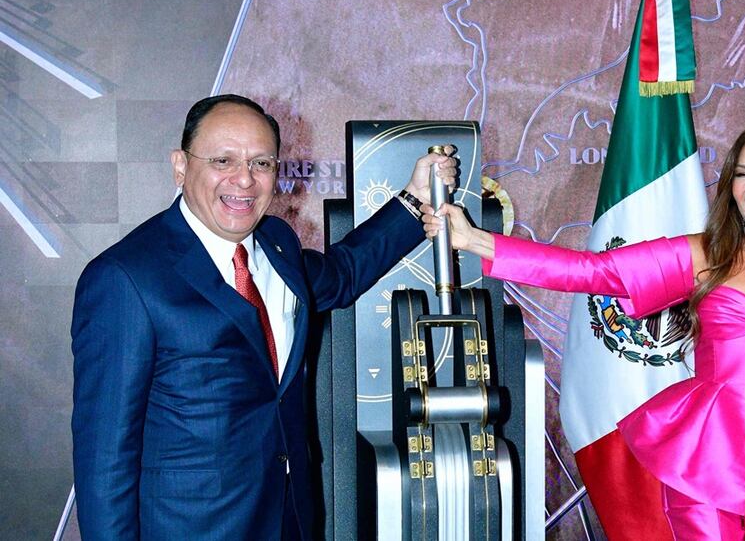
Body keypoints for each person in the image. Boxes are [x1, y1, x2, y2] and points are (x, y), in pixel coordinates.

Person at [425, 120, 745, 540]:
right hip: (704, 448)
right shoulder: (707, 254)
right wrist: (476, 240)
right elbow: (595, 273)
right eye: (742, 174)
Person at [71, 94, 457, 540]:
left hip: (289, 521)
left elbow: (341, 275)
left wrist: (415, 200)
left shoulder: (276, 243)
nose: (244, 180)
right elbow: (104, 463)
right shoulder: (124, 279)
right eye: (222, 160)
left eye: (262, 164)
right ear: (180, 166)